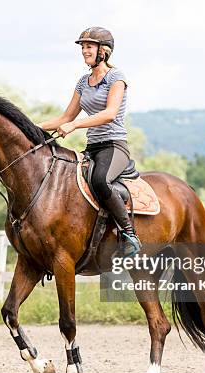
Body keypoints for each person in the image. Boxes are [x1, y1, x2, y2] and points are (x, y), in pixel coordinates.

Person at [37, 26, 141, 258]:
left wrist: (74, 126)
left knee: (100, 181)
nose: (84, 51)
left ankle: (129, 233)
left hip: (114, 146)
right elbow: (65, 117)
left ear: (103, 51)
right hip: (92, 148)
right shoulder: (83, 82)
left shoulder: (117, 78)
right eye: (83, 47)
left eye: (89, 46)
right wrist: (32, 126)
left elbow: (109, 113)